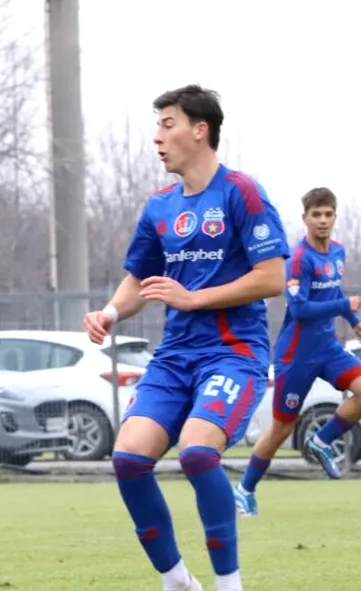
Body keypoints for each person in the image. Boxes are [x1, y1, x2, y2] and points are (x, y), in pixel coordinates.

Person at [83, 85, 289, 591]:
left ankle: (229, 585)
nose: (157, 137)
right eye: (157, 126)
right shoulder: (159, 206)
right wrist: (111, 311)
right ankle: (177, 581)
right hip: (175, 358)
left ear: (201, 130)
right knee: (129, 457)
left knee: (197, 453)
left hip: (233, 353)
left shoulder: (241, 191)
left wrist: (195, 298)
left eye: (167, 124)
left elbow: (272, 278)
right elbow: (140, 280)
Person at [233, 187, 361, 515]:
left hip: (327, 348)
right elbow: (299, 310)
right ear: (305, 219)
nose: (323, 220)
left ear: (335, 217)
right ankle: (244, 488)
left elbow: (334, 292)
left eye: (328, 214)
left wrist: (352, 319)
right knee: (282, 427)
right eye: (317, 215)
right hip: (296, 356)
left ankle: (322, 440)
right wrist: (345, 304)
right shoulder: (297, 259)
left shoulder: (338, 252)